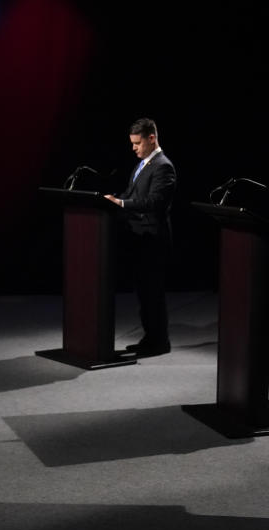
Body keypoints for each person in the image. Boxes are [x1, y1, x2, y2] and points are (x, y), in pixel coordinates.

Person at [104, 117, 176, 357]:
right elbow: (131, 194)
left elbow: (155, 203)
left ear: (151, 138)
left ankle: (159, 342)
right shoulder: (143, 164)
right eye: (132, 143)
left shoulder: (163, 166)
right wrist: (113, 200)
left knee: (153, 293)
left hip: (153, 240)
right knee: (144, 294)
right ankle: (150, 338)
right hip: (139, 239)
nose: (133, 147)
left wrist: (122, 203)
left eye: (137, 143)